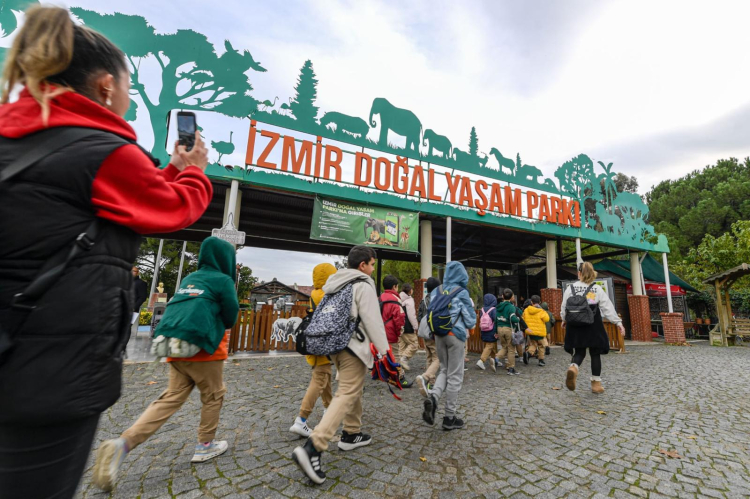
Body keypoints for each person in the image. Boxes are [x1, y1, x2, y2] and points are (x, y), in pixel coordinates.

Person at [0, 6, 212, 498]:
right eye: (128, 88)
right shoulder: (101, 149)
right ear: (105, 87)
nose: (128, 99)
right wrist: (195, 171)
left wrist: (169, 169)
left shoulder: (22, 139)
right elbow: (172, 208)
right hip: (49, 368)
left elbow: (114, 202)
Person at [93, 237, 239, 491]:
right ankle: (205, 445)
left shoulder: (190, 278)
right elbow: (230, 317)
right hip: (204, 349)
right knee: (214, 395)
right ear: (226, 258)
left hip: (175, 345)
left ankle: (123, 443)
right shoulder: (223, 280)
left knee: (170, 398)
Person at [292, 246, 389, 485]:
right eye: (372, 264)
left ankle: (351, 433)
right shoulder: (363, 284)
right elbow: (373, 321)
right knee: (347, 392)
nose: (373, 269)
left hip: (334, 346)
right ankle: (314, 446)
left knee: (352, 388)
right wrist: (386, 353)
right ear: (363, 265)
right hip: (353, 345)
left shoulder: (336, 284)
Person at [420, 261, 476, 431]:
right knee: (455, 376)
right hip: (455, 336)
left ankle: (434, 397)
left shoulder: (436, 291)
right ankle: (449, 417)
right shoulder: (461, 292)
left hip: (438, 336)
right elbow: (470, 320)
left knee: (444, 370)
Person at [562, 262, 625, 394]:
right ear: (593, 273)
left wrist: (564, 319)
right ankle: (596, 384)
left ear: (579, 273)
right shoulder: (596, 289)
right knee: (595, 353)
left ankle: (573, 367)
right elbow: (607, 307)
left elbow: (564, 306)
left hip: (575, 325)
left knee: (579, 352)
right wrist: (618, 323)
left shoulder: (570, 288)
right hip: (593, 324)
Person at [289, 263, 336, 438]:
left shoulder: (315, 293)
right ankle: (301, 420)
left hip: (313, 343)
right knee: (319, 380)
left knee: (325, 377)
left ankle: (329, 410)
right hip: (322, 344)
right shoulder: (328, 295)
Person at [379, 274, 408, 387]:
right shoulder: (396, 299)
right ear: (394, 287)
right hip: (391, 333)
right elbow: (399, 319)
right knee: (395, 355)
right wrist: (399, 333)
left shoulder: (380, 298)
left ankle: (386, 375)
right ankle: (400, 378)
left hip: (380, 332)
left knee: (384, 355)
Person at [415, 277, 441, 396]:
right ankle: (426, 378)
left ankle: (431, 384)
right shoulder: (437, 299)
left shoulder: (423, 300)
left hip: (425, 333)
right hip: (434, 333)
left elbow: (419, 317)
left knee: (429, 357)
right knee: (437, 358)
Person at [496, 288, 521, 375]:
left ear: (502, 296)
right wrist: (518, 319)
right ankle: (511, 368)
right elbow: (513, 318)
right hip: (508, 329)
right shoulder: (511, 307)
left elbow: (495, 319)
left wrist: (496, 331)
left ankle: (496, 358)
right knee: (511, 349)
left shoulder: (498, 306)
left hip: (499, 328)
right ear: (511, 297)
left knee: (504, 347)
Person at [523, 295, 550, 366]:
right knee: (541, 346)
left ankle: (528, 353)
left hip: (530, 331)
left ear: (531, 302)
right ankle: (541, 360)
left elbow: (523, 318)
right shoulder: (541, 311)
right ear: (540, 302)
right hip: (540, 332)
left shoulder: (526, 310)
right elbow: (547, 319)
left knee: (533, 344)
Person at [398, 283, 419, 371]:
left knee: (402, 346)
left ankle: (398, 365)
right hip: (408, 327)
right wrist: (415, 326)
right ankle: (404, 359)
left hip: (400, 326)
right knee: (414, 344)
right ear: (410, 291)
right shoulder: (409, 300)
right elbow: (411, 315)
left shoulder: (398, 298)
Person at [476, 293, 498, 372]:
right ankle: (481, 360)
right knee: (490, 345)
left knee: (491, 345)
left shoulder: (482, 309)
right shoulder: (493, 309)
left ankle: (495, 360)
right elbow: (496, 320)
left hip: (483, 330)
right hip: (491, 330)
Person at [130, 266, 148, 335]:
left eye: (134, 271)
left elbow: (143, 297)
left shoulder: (141, 283)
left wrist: (134, 307)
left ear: (138, 273)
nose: (131, 272)